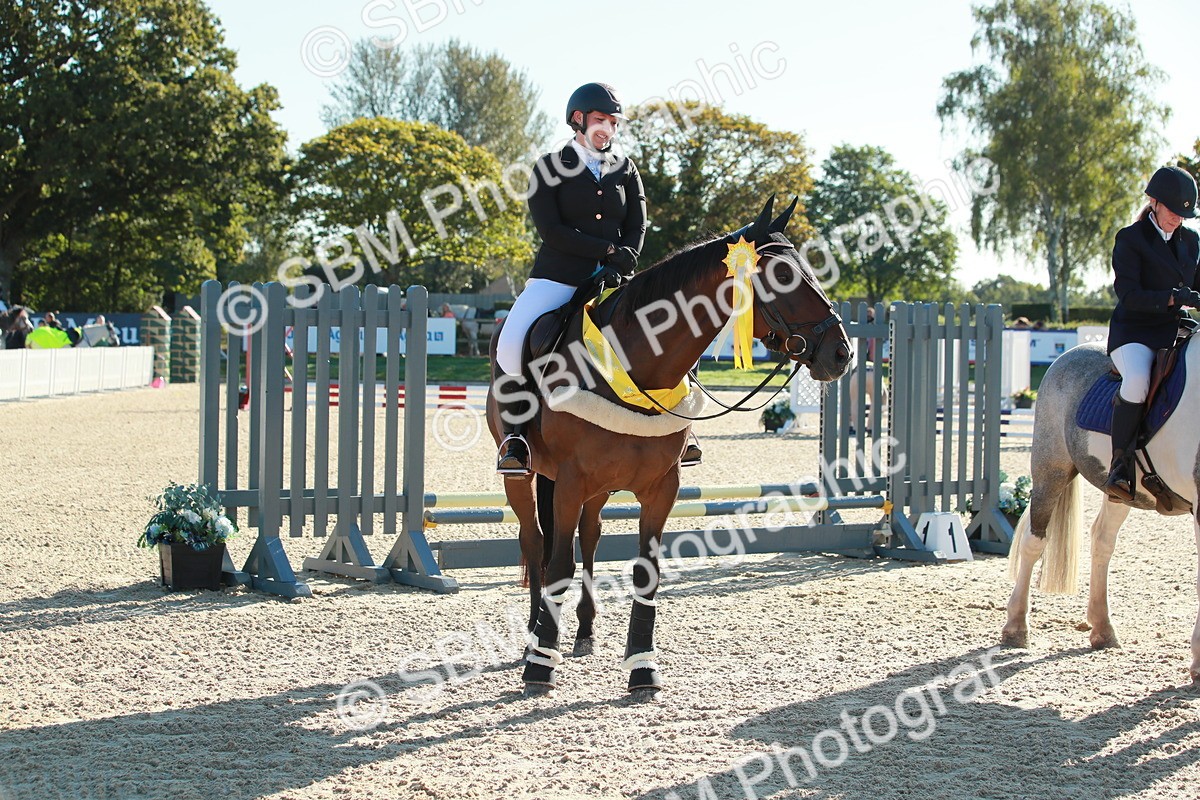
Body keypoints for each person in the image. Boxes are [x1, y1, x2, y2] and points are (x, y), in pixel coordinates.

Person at [493, 82, 649, 474]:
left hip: (615, 279)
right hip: (558, 277)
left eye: (613, 123)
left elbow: (638, 224)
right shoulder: (548, 166)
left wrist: (624, 260)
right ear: (578, 120)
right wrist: (607, 251)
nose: (608, 130)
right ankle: (516, 436)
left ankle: (680, 431)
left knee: (665, 322)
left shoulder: (626, 168)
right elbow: (552, 230)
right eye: (601, 121)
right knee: (511, 344)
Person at [1104, 165, 1200, 502]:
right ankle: (1119, 467)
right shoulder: (1130, 239)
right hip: (1135, 333)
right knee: (1137, 381)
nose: (1178, 220)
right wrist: (1173, 297)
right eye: (1173, 211)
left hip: (1173, 331)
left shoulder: (1190, 240)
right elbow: (1128, 294)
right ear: (1154, 202)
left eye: (1184, 215)